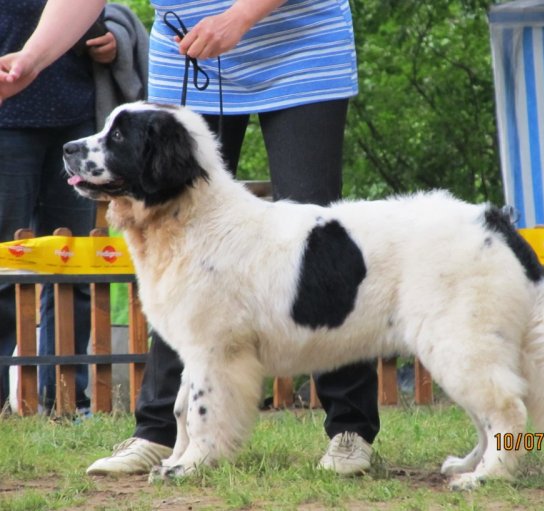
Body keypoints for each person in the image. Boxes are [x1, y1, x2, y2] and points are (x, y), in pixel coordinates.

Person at [0, 0, 380, 476]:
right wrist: (31, 59)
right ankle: (159, 432)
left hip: (299, 48)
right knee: (174, 262)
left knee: (318, 244)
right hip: (188, 51)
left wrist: (240, 15)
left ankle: (350, 428)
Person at [0, 2, 148, 414]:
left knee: (75, 269)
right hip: (6, 123)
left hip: (78, 123)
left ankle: (65, 402)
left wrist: (113, 41)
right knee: (2, 268)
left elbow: (102, 11)